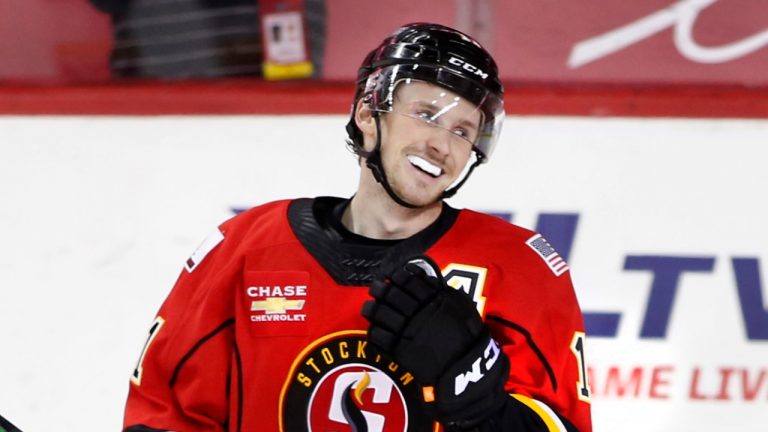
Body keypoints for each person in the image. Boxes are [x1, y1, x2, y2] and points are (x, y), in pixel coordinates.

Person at [122, 22, 593, 431]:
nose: (441, 145)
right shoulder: (245, 247)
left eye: (463, 131)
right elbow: (165, 414)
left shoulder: (521, 268)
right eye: (427, 115)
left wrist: (475, 391)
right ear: (368, 113)